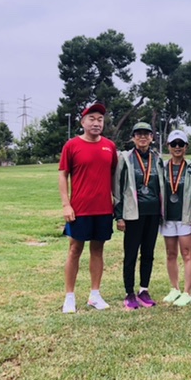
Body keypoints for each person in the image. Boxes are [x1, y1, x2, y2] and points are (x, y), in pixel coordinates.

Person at [58, 102, 118, 313]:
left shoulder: (110, 146)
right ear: (83, 122)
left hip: (103, 209)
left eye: (100, 119)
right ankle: (69, 297)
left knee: (98, 250)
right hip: (80, 209)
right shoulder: (72, 145)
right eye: (91, 119)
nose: (96, 123)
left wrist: (115, 199)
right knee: (75, 250)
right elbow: (63, 175)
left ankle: (95, 295)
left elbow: (113, 174)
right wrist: (66, 204)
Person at [114, 122, 165, 310]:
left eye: (146, 134)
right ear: (133, 138)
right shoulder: (125, 158)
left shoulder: (157, 158)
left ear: (152, 137)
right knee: (131, 254)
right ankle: (129, 292)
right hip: (132, 214)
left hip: (153, 213)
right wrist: (119, 216)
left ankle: (144, 290)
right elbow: (117, 187)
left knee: (148, 253)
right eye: (138, 134)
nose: (142, 137)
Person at [161, 130, 191, 307]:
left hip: (186, 216)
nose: (177, 147)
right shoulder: (162, 167)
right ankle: (174, 288)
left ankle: (187, 292)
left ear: (186, 147)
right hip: (167, 217)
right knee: (171, 254)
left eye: (181, 144)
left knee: (187, 253)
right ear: (168, 146)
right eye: (174, 144)